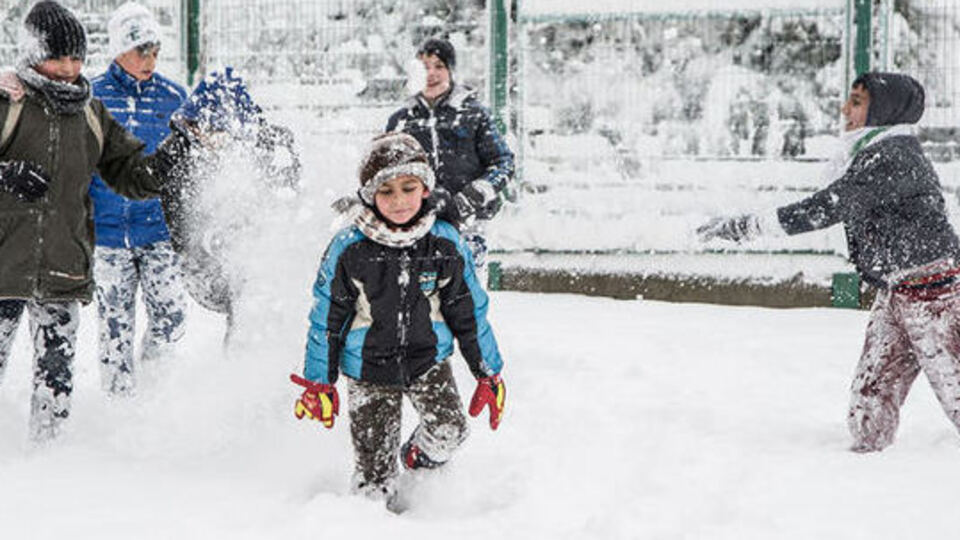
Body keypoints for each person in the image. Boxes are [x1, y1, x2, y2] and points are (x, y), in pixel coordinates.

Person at [698, 72, 960, 453]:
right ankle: (864, 462)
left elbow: (825, 207)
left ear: (883, 110)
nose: (844, 109)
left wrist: (747, 227)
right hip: (896, 289)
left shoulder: (895, 157)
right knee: (871, 394)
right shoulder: (873, 152)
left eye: (857, 102)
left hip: (933, 293)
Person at [0, 1, 202, 442]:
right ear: (32, 54)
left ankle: (47, 457)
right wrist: (4, 173)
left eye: (76, 58)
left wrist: (170, 157)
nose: (69, 69)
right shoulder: (8, 102)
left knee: (55, 381)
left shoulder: (90, 112)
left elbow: (131, 174)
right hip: (4, 267)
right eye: (57, 57)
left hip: (62, 268)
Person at [290, 132, 506, 511]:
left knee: (450, 431)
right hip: (367, 369)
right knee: (374, 479)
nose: (399, 200)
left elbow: (469, 311)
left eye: (409, 188)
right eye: (386, 191)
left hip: (428, 360)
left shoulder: (443, 242)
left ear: (426, 189)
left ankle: (416, 462)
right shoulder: (349, 248)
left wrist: (487, 371)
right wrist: (319, 380)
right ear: (369, 195)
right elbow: (326, 318)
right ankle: (370, 517)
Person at [89, 2, 189, 396]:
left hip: (158, 233)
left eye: (155, 51)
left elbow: (187, 166)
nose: (150, 60)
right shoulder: (92, 97)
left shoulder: (173, 98)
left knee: (171, 315)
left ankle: (153, 392)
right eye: (141, 50)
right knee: (114, 327)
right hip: (108, 236)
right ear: (119, 49)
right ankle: (120, 406)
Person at [158, 67, 301, 342]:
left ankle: (252, 350)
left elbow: (287, 201)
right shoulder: (176, 153)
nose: (206, 136)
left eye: (217, 129)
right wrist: (200, 242)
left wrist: (257, 235)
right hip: (202, 261)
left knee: (252, 290)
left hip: (256, 253)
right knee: (241, 286)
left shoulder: (271, 147)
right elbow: (174, 213)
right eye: (199, 127)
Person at [385, 37, 514, 276]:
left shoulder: (474, 115)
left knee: (466, 287)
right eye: (425, 67)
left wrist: (476, 193)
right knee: (423, 292)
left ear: (451, 71)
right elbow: (386, 171)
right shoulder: (401, 121)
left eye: (439, 66)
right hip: (420, 223)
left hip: (470, 222)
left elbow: (503, 162)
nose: (431, 73)